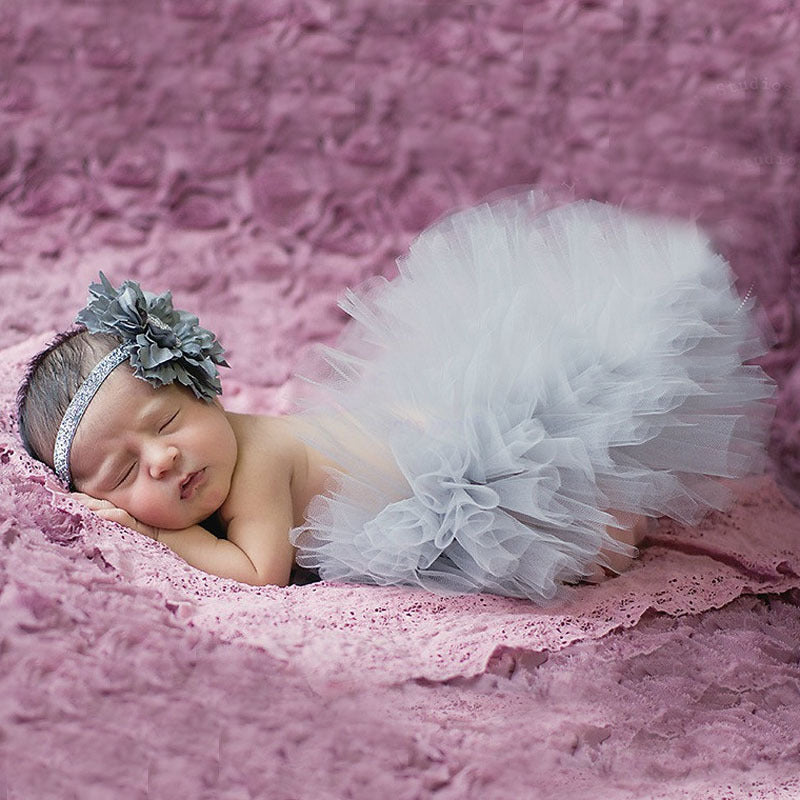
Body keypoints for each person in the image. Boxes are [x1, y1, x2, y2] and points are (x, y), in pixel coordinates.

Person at [15, 188, 778, 604]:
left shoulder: (255, 467)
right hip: (420, 452)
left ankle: (608, 514)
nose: (163, 459)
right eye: (120, 474)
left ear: (206, 388)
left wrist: (164, 537)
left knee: (578, 528)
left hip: (449, 477)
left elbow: (259, 572)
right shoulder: (228, 447)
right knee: (577, 503)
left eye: (167, 420)